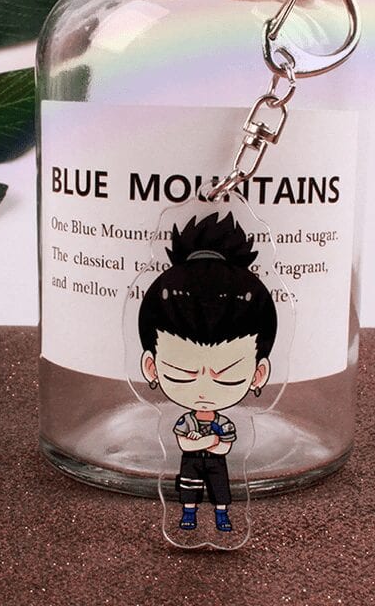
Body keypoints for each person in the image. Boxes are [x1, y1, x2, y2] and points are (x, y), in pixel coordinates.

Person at [138, 212, 277, 531]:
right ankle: (189, 513)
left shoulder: (204, 424)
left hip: (213, 463)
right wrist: (212, 440)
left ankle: (220, 514)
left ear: (258, 375)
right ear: (152, 367)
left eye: (227, 377)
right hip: (194, 462)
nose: (202, 390)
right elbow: (198, 444)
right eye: (181, 375)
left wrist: (202, 440)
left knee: (220, 488)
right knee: (189, 487)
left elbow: (206, 444)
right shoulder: (207, 424)